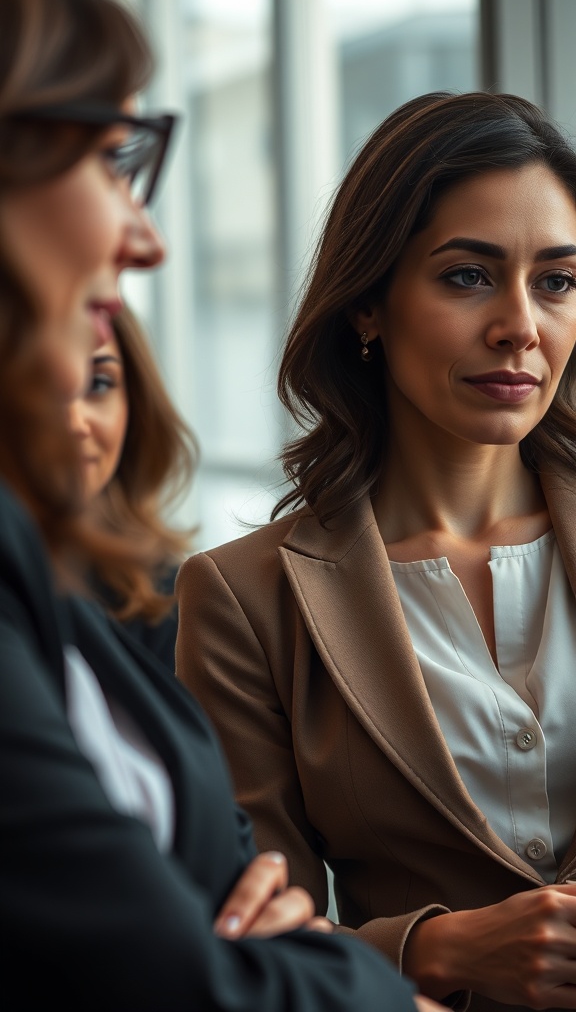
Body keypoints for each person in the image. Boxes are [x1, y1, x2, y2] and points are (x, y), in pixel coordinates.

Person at [0, 0, 437, 1010]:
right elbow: (171, 965)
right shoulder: (232, 588)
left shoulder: (76, 583)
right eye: (112, 161)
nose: (145, 238)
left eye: (561, 279)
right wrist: (401, 974)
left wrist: (283, 950)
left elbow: (240, 888)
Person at [176, 89, 576, 1011]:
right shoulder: (246, 599)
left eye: (556, 280)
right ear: (367, 305)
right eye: (468, 275)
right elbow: (242, 936)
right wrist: (429, 951)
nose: (521, 324)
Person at [68, 305, 196, 671]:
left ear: (134, 404)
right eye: (36, 382)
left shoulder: (173, 595)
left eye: (98, 383)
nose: (75, 422)